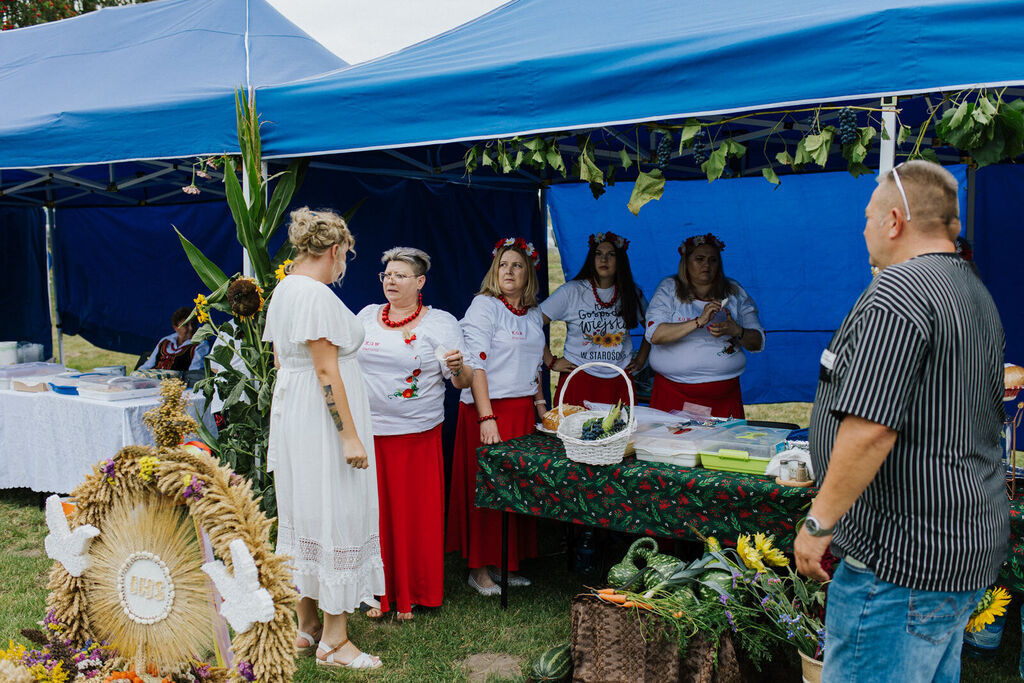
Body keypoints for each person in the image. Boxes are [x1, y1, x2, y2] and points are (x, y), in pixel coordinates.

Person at [795, 161, 1008, 681]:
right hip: (959, 543)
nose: (863, 228)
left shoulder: (900, 292)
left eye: (868, 216)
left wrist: (819, 523)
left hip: (902, 558)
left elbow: (871, 428)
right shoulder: (972, 290)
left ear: (894, 221)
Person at [262, 207, 384, 670]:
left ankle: (307, 625)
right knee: (334, 510)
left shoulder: (285, 289)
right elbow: (325, 369)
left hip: (297, 413)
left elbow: (280, 361)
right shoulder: (314, 295)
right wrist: (349, 437)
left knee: (305, 510)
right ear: (335, 250)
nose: (343, 265)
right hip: (321, 419)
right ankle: (335, 641)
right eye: (345, 256)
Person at [356, 247, 472, 621]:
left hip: (416, 435)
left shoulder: (440, 323)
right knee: (374, 515)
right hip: (371, 434)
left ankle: (416, 593)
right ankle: (378, 593)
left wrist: (457, 368)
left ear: (420, 282)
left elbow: (463, 381)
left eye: (400, 275)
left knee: (414, 516)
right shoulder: (365, 318)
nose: (391, 280)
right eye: (387, 274)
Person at [446, 237, 546, 595]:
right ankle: (478, 568)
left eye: (517, 265)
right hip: (487, 410)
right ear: (494, 270)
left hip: (520, 410)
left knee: (516, 490)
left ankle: (506, 562)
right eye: (503, 264)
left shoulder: (533, 312)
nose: (509, 271)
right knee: (487, 489)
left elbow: (534, 365)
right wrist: (487, 418)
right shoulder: (484, 307)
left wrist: (541, 408)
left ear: (528, 273)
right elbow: (476, 365)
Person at [644, 233, 764, 418]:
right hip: (674, 392)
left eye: (712, 260)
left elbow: (758, 342)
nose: (706, 265)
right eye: (699, 259)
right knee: (673, 446)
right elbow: (655, 334)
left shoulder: (734, 291)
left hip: (724, 395)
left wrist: (736, 330)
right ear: (686, 262)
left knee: (722, 446)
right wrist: (699, 321)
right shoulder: (669, 288)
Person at [541, 231, 650, 406]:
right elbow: (532, 322)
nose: (603, 260)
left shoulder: (631, 292)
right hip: (579, 377)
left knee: (620, 431)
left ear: (620, 260)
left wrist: (641, 359)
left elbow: (654, 328)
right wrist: (550, 361)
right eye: (598, 254)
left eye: (611, 255)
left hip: (618, 379)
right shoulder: (572, 291)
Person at [138, 306, 210, 373]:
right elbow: (148, 365)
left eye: (193, 324)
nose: (191, 328)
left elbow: (194, 373)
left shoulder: (201, 344)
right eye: (186, 325)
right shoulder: (165, 341)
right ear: (175, 327)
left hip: (178, 384)